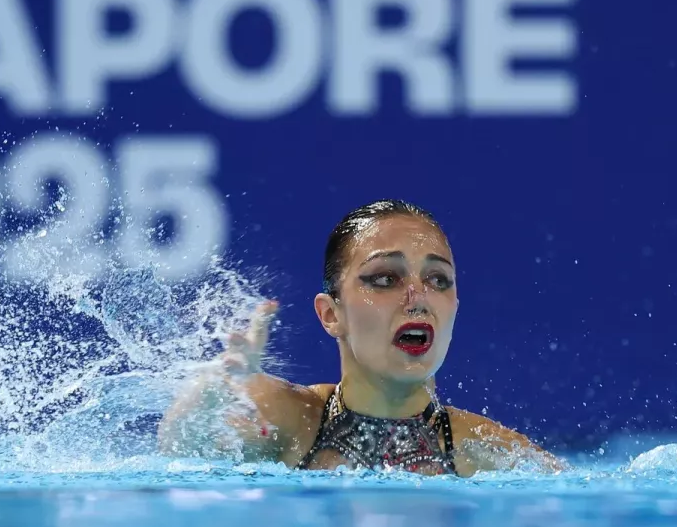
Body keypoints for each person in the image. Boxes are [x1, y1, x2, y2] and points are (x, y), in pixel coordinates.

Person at [158, 199, 562, 476]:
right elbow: (180, 447)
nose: (417, 298)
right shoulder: (294, 420)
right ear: (331, 314)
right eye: (386, 278)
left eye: (438, 279)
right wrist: (214, 387)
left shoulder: (483, 448)